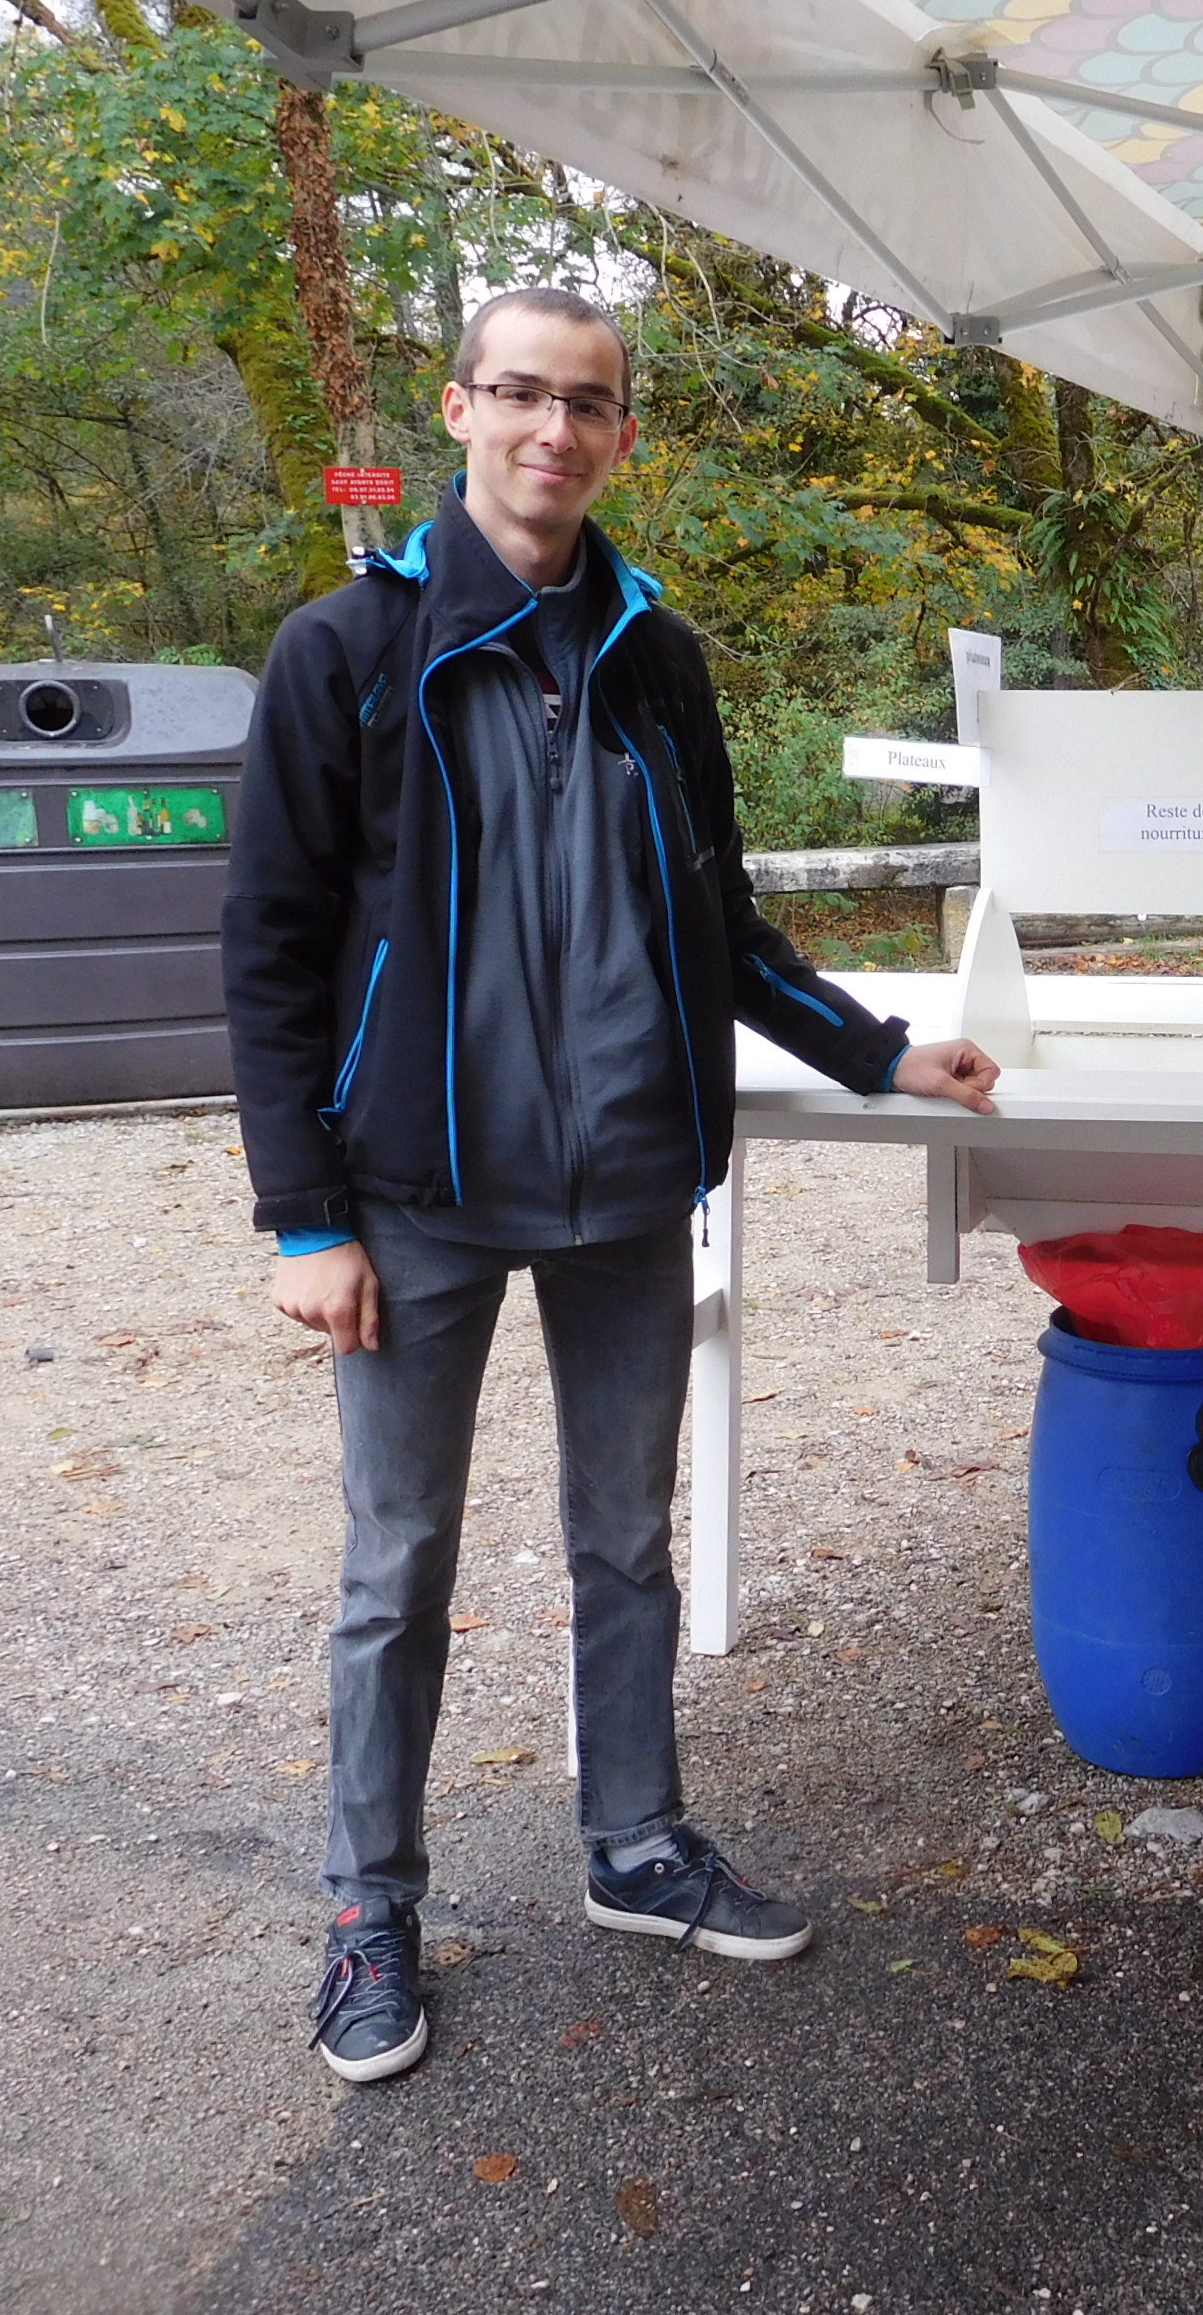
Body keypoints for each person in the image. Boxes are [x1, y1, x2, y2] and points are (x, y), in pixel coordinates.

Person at [222, 286, 1000, 2084]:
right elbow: (268, 950)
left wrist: (877, 1052)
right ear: (461, 407)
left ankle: (637, 1845)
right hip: (418, 1188)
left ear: (621, 434)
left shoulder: (661, 654)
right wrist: (304, 1214)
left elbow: (717, 918)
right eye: (520, 395)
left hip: (634, 1178)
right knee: (396, 1564)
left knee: (624, 1542)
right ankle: (370, 1906)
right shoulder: (345, 651)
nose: (551, 432)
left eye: (587, 404)